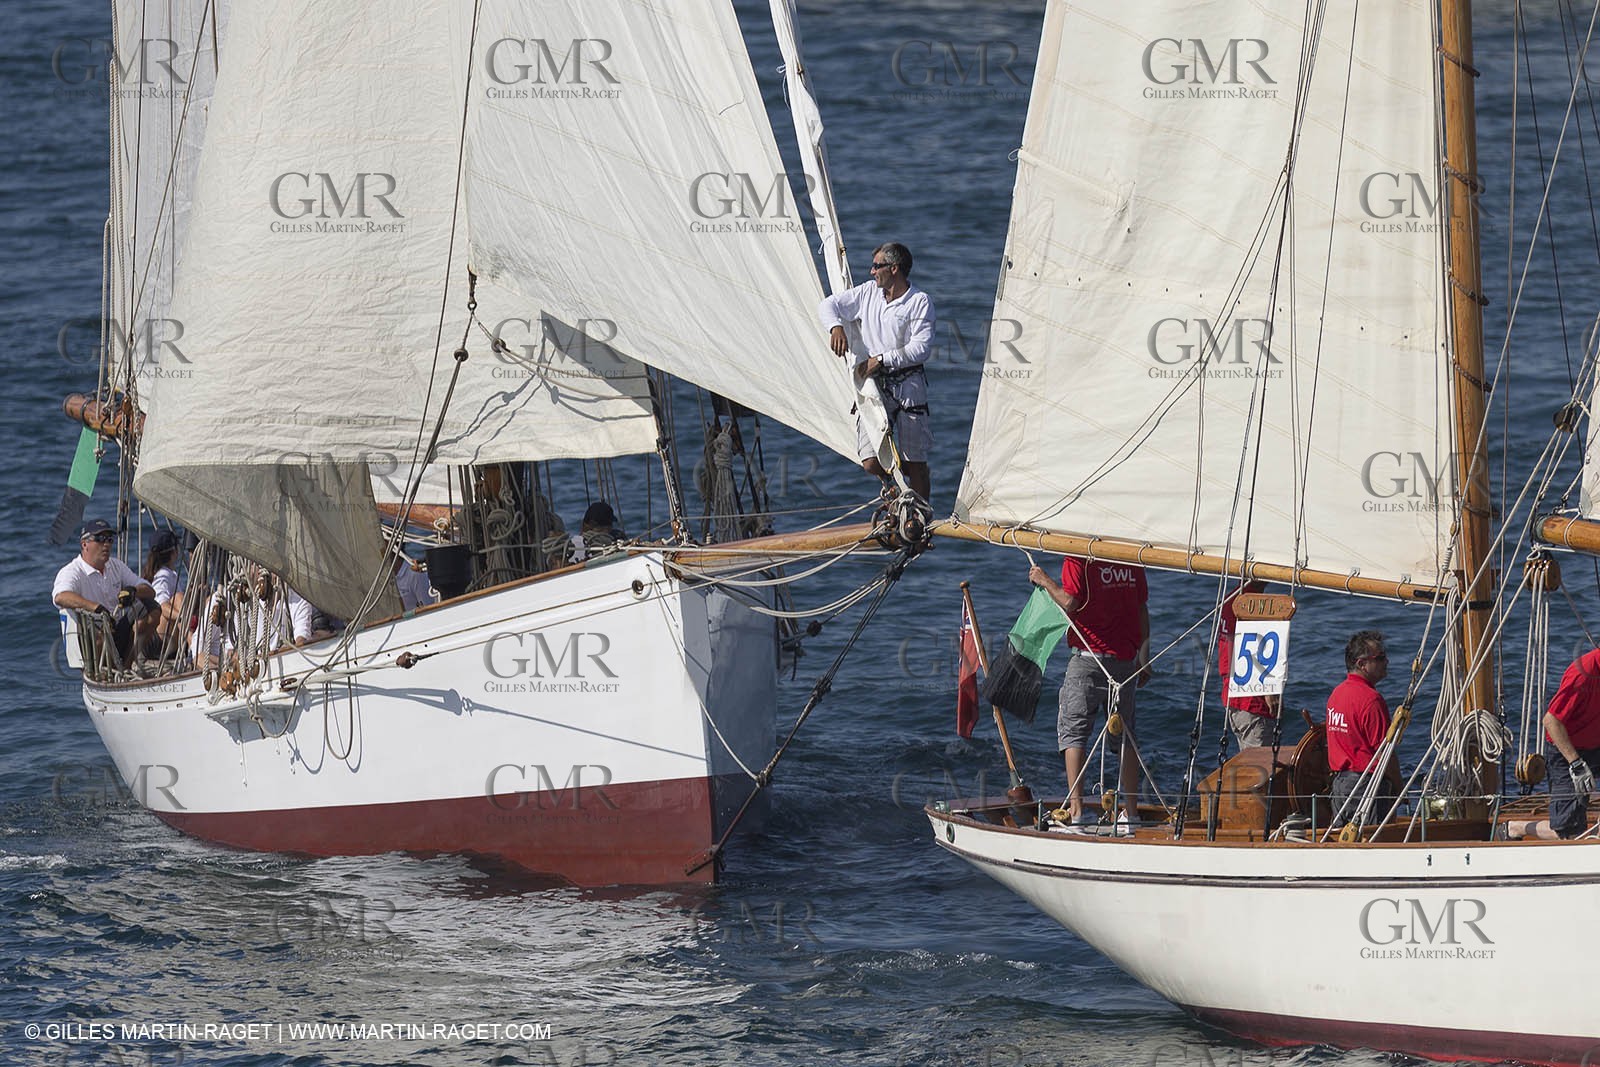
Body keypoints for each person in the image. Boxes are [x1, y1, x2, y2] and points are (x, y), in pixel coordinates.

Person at [1029, 555, 1150, 832]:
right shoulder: (1130, 558)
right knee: (1126, 736)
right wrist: (1144, 658)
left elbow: (1070, 602)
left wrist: (1043, 579)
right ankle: (1131, 814)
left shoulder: (1077, 557)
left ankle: (1077, 810)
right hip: (1125, 661)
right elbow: (1142, 609)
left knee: (1074, 732)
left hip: (1088, 658)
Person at [818, 242, 935, 503]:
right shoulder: (868, 293)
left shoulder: (919, 302)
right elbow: (828, 305)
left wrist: (880, 360)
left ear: (894, 269)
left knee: (913, 463)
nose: (871, 272)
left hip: (908, 388)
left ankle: (919, 517)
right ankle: (895, 489)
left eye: (876, 266)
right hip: (874, 387)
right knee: (870, 461)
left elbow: (921, 349)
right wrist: (835, 327)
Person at [52, 519, 159, 667]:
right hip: (93, 637)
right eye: (100, 539)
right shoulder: (72, 572)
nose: (107, 544)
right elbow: (61, 597)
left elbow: (149, 590)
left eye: (109, 539)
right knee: (99, 627)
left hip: (116, 628)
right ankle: (102, 675)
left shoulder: (116, 566)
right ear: (84, 544)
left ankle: (126, 666)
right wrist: (96, 608)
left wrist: (133, 591)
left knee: (152, 608)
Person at [1326, 630, 1393, 821]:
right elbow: (1384, 754)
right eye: (1380, 657)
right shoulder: (1371, 700)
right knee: (1374, 843)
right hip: (1366, 787)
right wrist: (1397, 786)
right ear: (1362, 664)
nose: (1386, 661)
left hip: (1340, 786)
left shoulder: (1336, 695)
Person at [1540, 648, 1600, 839]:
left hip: (1596, 742)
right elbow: (1551, 721)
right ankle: (1516, 828)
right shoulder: (1583, 673)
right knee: (1569, 829)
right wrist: (1576, 764)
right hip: (1568, 751)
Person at [1218, 579, 1282, 748]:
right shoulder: (1250, 603)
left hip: (1235, 699)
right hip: (1252, 703)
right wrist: (1269, 690)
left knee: (1250, 764)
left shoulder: (1232, 600)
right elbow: (1248, 647)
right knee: (1258, 767)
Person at [142, 530, 185, 650]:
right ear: (174, 553)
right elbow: (162, 606)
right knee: (178, 598)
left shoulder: (164, 573)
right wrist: (184, 618)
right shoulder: (163, 576)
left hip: (162, 640)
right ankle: (192, 642)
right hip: (159, 643)